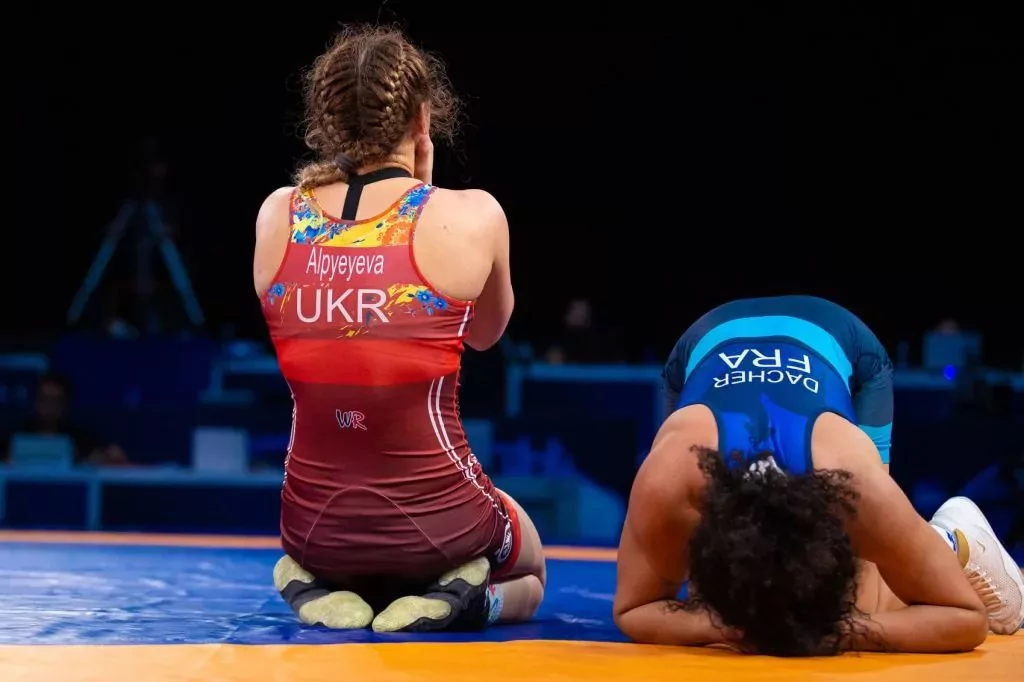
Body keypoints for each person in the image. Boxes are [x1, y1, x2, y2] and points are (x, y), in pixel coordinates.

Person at [253, 25, 545, 633]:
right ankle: (468, 599)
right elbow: (485, 334)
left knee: (324, 543)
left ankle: (307, 581)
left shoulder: (278, 213)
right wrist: (426, 192)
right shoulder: (475, 215)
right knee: (533, 569)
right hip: (442, 525)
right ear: (422, 119)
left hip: (312, 528)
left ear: (325, 122)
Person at [614, 295, 1024, 656]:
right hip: (700, 345)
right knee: (707, 602)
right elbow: (633, 609)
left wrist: (836, 632)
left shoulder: (855, 488)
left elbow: (965, 617)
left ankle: (948, 539)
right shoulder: (669, 481)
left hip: (847, 346)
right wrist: (729, 627)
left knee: (865, 598)